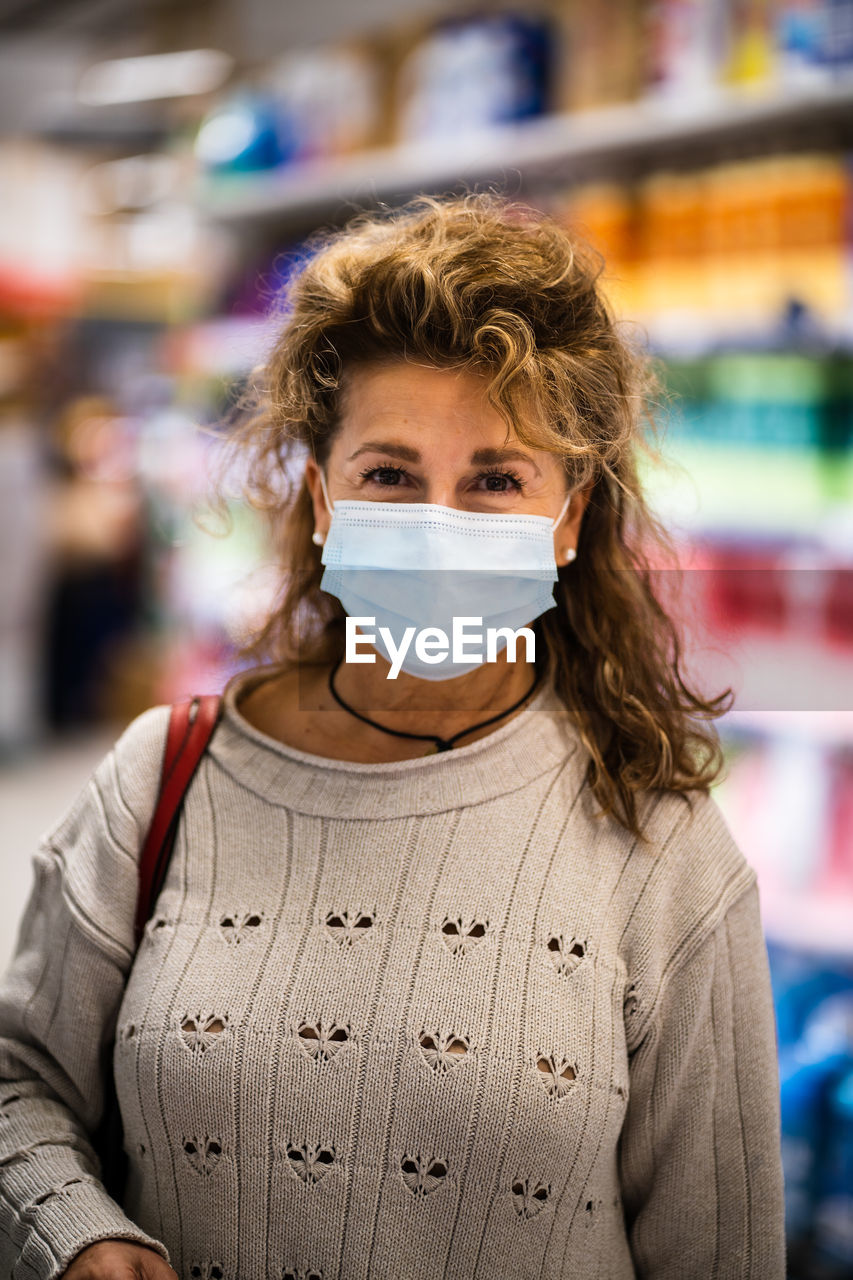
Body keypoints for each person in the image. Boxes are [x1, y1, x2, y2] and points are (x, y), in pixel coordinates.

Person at [0, 192, 786, 1279]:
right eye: (390, 475)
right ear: (321, 498)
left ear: (568, 516)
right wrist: (75, 1230)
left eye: (496, 479)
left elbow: (719, 1252)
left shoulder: (665, 850)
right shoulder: (163, 776)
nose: (440, 521)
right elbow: (17, 1076)